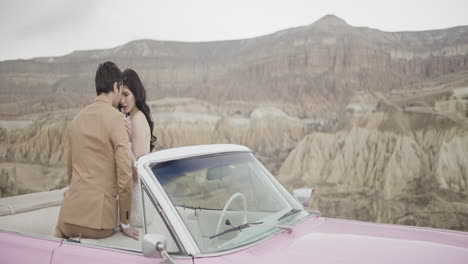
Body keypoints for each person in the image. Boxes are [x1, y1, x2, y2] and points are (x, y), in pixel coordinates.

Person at [55, 62, 139, 240]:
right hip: (98, 223)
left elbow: (70, 172)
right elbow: (124, 175)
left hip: (67, 219)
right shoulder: (116, 119)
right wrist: (125, 221)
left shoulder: (77, 119)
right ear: (115, 87)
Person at [119, 68, 156, 227]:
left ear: (136, 93)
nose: (122, 101)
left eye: (126, 94)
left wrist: (125, 143)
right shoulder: (132, 118)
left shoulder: (137, 120)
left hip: (137, 207)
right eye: (120, 95)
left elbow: (137, 173)